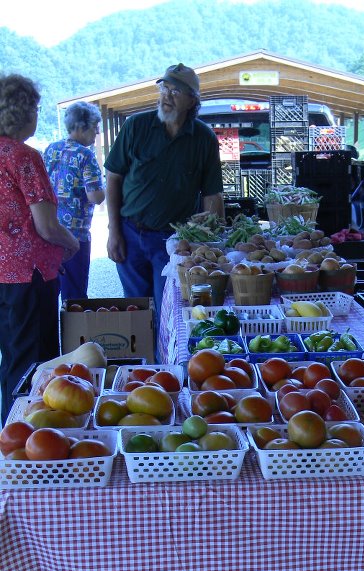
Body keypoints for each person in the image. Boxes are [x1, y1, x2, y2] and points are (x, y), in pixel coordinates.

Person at [104, 62, 224, 331]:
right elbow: (113, 177)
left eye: (176, 91)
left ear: (192, 100)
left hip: (173, 242)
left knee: (170, 308)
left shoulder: (204, 139)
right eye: (164, 88)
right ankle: (142, 367)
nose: (167, 96)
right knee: (136, 309)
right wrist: (114, 231)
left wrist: (213, 241)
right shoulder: (136, 126)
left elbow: (212, 195)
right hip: (131, 233)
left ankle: (168, 368)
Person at [0, 74, 79, 424]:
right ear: (25, 112)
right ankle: (26, 437)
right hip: (29, 276)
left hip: (4, 278)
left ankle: (14, 431)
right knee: (36, 363)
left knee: (13, 358)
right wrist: (72, 242)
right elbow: (46, 226)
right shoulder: (23, 156)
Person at [44, 102, 105, 301]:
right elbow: (95, 196)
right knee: (74, 297)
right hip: (75, 237)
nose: (96, 133)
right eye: (94, 127)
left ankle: (52, 332)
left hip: (49, 231)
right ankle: (74, 332)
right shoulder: (85, 155)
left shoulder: (51, 149)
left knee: (51, 292)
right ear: (80, 126)